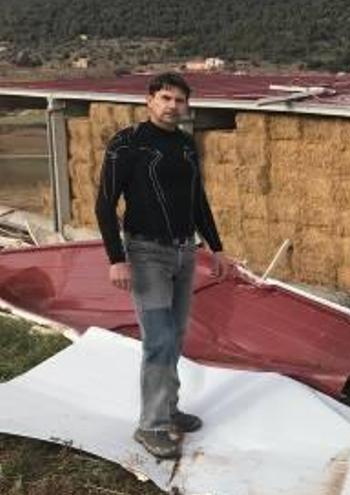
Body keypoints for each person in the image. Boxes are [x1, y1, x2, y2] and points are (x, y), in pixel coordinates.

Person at [95, 72, 231, 459]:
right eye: (166, 98)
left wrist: (217, 248)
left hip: (183, 253)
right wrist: (116, 259)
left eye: (180, 100)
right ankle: (150, 426)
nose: (173, 106)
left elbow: (197, 201)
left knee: (176, 335)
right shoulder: (128, 143)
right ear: (150, 100)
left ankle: (168, 409)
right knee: (159, 339)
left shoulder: (187, 145)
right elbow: (106, 203)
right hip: (145, 253)